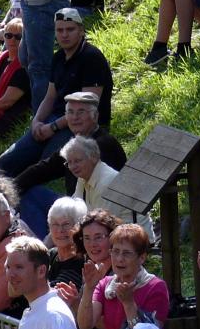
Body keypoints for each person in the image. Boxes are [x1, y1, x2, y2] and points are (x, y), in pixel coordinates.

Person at [0, 8, 112, 178]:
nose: (64, 35)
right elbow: (50, 97)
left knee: (44, 167)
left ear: (81, 30)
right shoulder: (58, 57)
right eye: (60, 30)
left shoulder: (92, 58)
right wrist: (36, 121)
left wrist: (53, 127)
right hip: (53, 120)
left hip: (80, 126)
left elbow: (87, 107)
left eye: (70, 29)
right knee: (4, 163)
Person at [12, 90, 125, 236]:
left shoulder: (103, 145)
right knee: (27, 192)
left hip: (98, 216)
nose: (75, 117)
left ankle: (46, 245)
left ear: (95, 116)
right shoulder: (75, 144)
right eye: (70, 112)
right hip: (77, 205)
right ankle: (44, 245)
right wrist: (8, 190)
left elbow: (104, 209)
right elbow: (44, 169)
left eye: (81, 112)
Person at [13, 0, 70, 113]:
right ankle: (49, 104)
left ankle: (41, 119)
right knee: (25, 56)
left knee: (39, 68)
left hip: (42, 2)